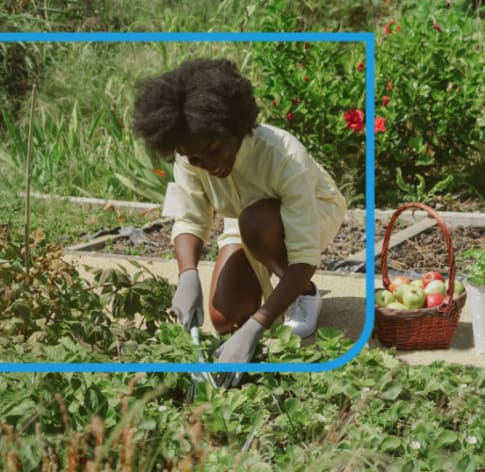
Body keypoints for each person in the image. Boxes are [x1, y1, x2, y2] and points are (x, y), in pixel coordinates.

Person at [132, 59, 347, 386]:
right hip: (245, 221)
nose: (209, 165)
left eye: (215, 150)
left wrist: (256, 328)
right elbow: (190, 220)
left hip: (312, 212)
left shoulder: (283, 155)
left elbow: (304, 256)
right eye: (197, 159)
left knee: (257, 224)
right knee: (224, 317)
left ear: (234, 127)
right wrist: (188, 275)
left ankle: (304, 294)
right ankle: (271, 287)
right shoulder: (191, 155)